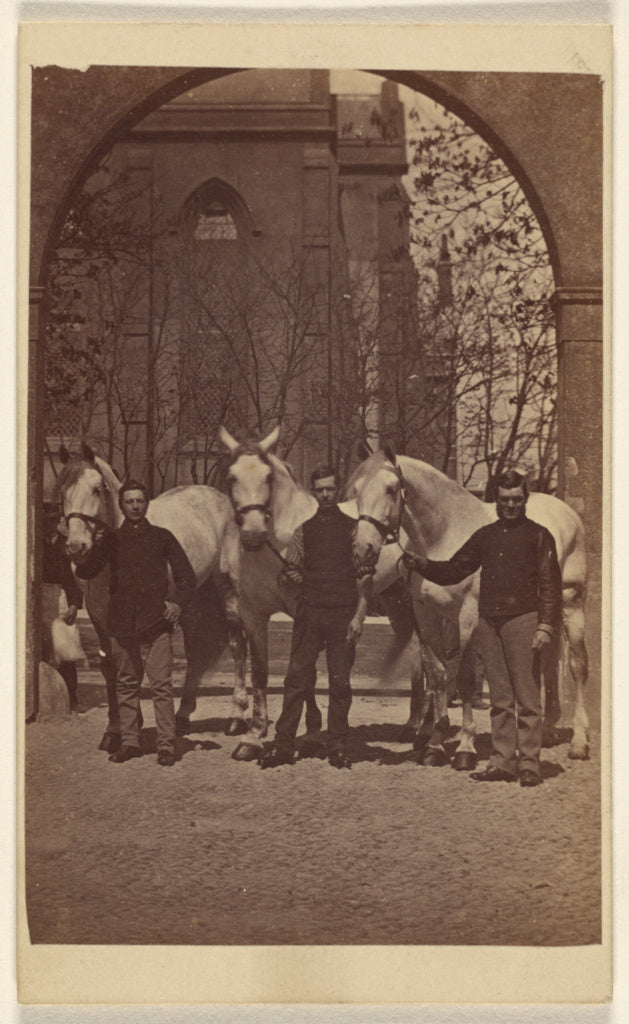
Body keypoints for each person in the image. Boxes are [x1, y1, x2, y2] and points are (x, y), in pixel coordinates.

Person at [402, 470, 562, 787]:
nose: (511, 505)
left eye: (517, 499)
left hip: (524, 619)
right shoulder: (485, 535)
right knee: (500, 696)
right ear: (497, 500)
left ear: (525, 500)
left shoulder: (540, 535)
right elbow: (454, 570)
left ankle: (529, 763)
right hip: (489, 621)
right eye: (505, 500)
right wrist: (421, 564)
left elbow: (550, 585)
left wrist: (544, 624)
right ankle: (503, 762)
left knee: (527, 697)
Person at [259, 465, 374, 770]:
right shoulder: (304, 531)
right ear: (313, 491)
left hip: (343, 616)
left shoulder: (353, 529)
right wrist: (299, 580)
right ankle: (283, 745)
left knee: (340, 684)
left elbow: (365, 576)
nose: (324, 494)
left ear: (338, 491)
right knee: (296, 680)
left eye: (330, 489)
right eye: (319, 489)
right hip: (310, 616)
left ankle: (337, 746)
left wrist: (359, 617)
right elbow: (291, 570)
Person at [75, 480, 196, 767]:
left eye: (140, 501)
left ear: (147, 503)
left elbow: (186, 577)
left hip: (156, 622)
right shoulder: (111, 540)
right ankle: (130, 742)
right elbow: (89, 569)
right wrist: (78, 550)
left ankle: (166, 744)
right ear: (121, 505)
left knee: (161, 685)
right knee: (126, 683)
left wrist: (177, 603)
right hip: (122, 623)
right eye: (129, 502)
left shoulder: (163, 537)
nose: (135, 506)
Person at [42, 501, 85, 710]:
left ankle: (71, 699)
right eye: (45, 520)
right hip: (39, 600)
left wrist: (75, 604)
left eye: (53, 520)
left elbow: (74, 578)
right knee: (43, 649)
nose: (49, 525)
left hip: (62, 600)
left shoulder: (66, 544)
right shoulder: (31, 544)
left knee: (66, 651)